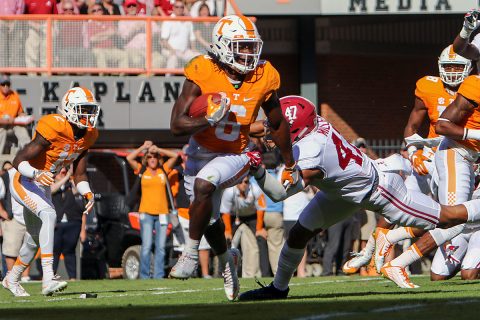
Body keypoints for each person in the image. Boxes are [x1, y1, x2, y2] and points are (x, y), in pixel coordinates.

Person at [238, 95, 480, 301]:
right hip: (341, 192)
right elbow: (269, 125)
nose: (270, 131)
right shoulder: (311, 124)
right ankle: (278, 288)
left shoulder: (311, 152)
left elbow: (279, 193)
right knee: (299, 232)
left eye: (278, 127)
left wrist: (256, 170)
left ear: (296, 130)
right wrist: (229, 128)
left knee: (448, 218)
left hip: (380, 192)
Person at [168, 14, 297, 301]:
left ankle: (189, 254)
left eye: (252, 46)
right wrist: (208, 120)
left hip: (237, 152)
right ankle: (228, 261)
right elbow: (177, 125)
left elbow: (277, 123)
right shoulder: (202, 69)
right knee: (209, 217)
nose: (250, 53)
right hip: (199, 151)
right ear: (222, 46)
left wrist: (290, 163)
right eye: (243, 46)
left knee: (204, 185)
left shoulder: (264, 76)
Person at [343, 45, 472, 280]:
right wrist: (413, 151)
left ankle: (388, 245)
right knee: (396, 208)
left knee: (438, 216)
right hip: (433, 156)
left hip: (458, 157)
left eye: (458, 66)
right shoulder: (428, 86)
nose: (453, 72)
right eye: (448, 66)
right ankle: (367, 252)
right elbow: (412, 127)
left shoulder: (473, 88)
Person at [2, 87, 99, 297]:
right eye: (82, 110)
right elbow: (19, 161)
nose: (87, 115)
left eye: (89, 110)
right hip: (25, 178)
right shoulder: (54, 125)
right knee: (49, 214)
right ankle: (48, 278)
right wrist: (36, 174)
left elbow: (79, 174)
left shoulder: (88, 135)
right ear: (69, 109)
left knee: (35, 238)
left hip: (42, 183)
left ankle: (11, 278)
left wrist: (87, 192)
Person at [126, 140, 178, 279]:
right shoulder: (141, 170)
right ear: (145, 159)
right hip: (146, 213)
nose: (152, 159)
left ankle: (159, 276)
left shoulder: (163, 170)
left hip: (162, 213)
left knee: (160, 247)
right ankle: (144, 276)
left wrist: (158, 148)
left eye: (155, 156)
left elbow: (175, 156)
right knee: (147, 246)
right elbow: (129, 158)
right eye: (149, 157)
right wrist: (143, 147)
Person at [221, 177, 266, 278]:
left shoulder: (255, 189)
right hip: (234, 216)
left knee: (262, 238)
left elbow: (261, 209)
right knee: (226, 239)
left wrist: (259, 229)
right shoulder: (229, 192)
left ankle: (265, 273)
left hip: (252, 216)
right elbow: (225, 212)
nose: (243, 184)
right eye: (240, 182)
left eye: (246, 182)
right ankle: (224, 272)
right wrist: (228, 230)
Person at [52, 166, 87, 280]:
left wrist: (71, 177)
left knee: (70, 251)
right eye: (60, 172)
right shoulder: (50, 185)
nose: (62, 173)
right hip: (56, 223)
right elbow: (53, 189)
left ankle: (72, 277)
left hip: (72, 222)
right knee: (54, 250)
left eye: (64, 172)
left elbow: (78, 192)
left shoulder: (70, 185)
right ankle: (50, 276)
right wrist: (66, 176)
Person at [86, 2, 128, 72]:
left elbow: (115, 32)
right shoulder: (89, 24)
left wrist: (99, 35)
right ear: (91, 13)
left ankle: (124, 76)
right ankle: (103, 76)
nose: (97, 12)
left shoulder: (108, 21)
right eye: (94, 11)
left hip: (111, 48)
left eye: (99, 9)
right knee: (101, 54)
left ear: (102, 11)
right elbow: (92, 39)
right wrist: (107, 33)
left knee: (124, 55)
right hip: (98, 49)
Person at [161, 0, 199, 70]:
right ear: (173, 8)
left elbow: (192, 38)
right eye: (177, 7)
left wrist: (194, 50)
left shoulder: (188, 21)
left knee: (198, 57)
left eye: (181, 7)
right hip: (169, 50)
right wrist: (173, 51)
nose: (179, 9)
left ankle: (196, 80)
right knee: (173, 58)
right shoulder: (168, 20)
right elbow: (164, 41)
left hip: (185, 51)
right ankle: (168, 80)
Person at [0, 74, 32, 155]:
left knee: (21, 128)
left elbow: (20, 112)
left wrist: (22, 115)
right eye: (3, 84)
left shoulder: (14, 95)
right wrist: (6, 121)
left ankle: (28, 154)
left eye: (8, 84)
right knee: (1, 130)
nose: (6, 86)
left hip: (12, 124)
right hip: (1, 125)